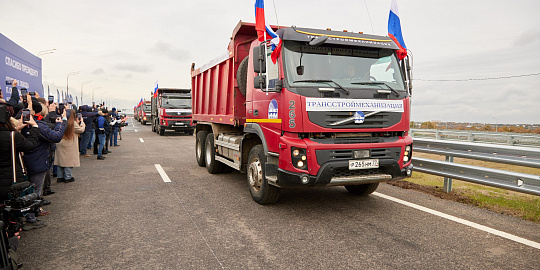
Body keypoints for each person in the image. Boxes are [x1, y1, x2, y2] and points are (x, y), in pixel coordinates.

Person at [0, 102, 39, 202]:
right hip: (10, 180)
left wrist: (17, 129)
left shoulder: (12, 135)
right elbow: (30, 145)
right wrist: (34, 126)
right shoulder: (12, 136)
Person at [54, 109, 85, 182]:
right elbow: (81, 130)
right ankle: (68, 177)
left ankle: (60, 177)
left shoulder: (61, 121)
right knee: (68, 161)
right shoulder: (73, 123)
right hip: (69, 144)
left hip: (60, 142)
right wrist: (82, 123)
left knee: (60, 160)